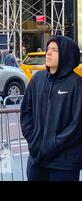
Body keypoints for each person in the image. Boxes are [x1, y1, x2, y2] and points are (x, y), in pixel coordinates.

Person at [20, 35, 82, 181]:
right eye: (48, 49)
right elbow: (26, 113)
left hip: (64, 163)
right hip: (37, 159)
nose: (48, 53)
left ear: (66, 54)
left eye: (54, 50)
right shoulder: (38, 79)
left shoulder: (76, 84)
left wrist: (53, 144)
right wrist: (33, 140)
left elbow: (77, 124)